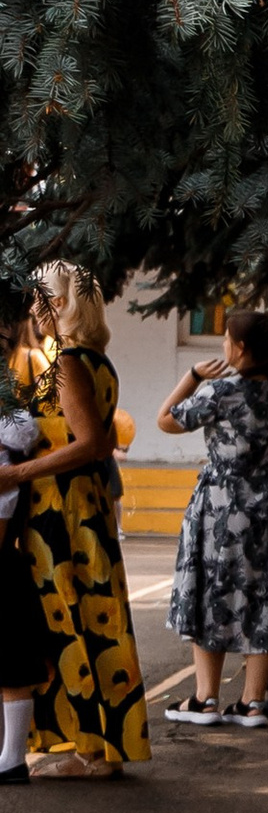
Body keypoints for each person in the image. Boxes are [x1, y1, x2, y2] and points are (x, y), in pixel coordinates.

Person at [0, 263, 149, 776]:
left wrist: (17, 472)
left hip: (62, 512)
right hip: (79, 505)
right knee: (83, 617)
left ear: (60, 304)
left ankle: (95, 749)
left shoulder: (67, 363)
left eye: (39, 298)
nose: (32, 309)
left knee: (67, 620)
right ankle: (91, 747)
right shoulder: (91, 359)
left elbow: (92, 444)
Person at [159, 313, 268, 730]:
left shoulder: (222, 391)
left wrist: (193, 375)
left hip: (222, 510)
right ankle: (252, 703)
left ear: (240, 347)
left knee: (212, 593)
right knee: (266, 597)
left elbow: (167, 419)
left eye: (227, 339)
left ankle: (205, 698)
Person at [0, 308, 47, 783]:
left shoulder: (11, 417)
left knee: (11, 662)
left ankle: (12, 758)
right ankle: (9, 756)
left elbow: (25, 433)